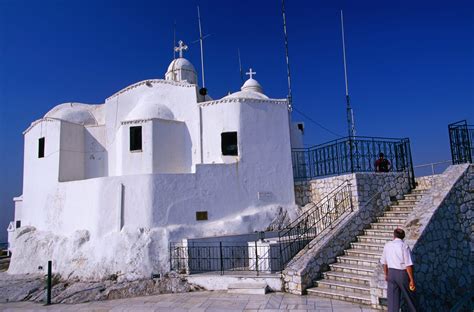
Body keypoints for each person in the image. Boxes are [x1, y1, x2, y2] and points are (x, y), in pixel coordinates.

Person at [380, 228, 417, 312]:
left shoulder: (387, 245)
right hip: (402, 273)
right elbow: (408, 265)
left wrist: (386, 274)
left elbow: (384, 262)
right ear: (403, 237)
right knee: (410, 298)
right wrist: (411, 280)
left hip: (391, 273)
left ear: (394, 236)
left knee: (392, 301)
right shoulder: (404, 246)